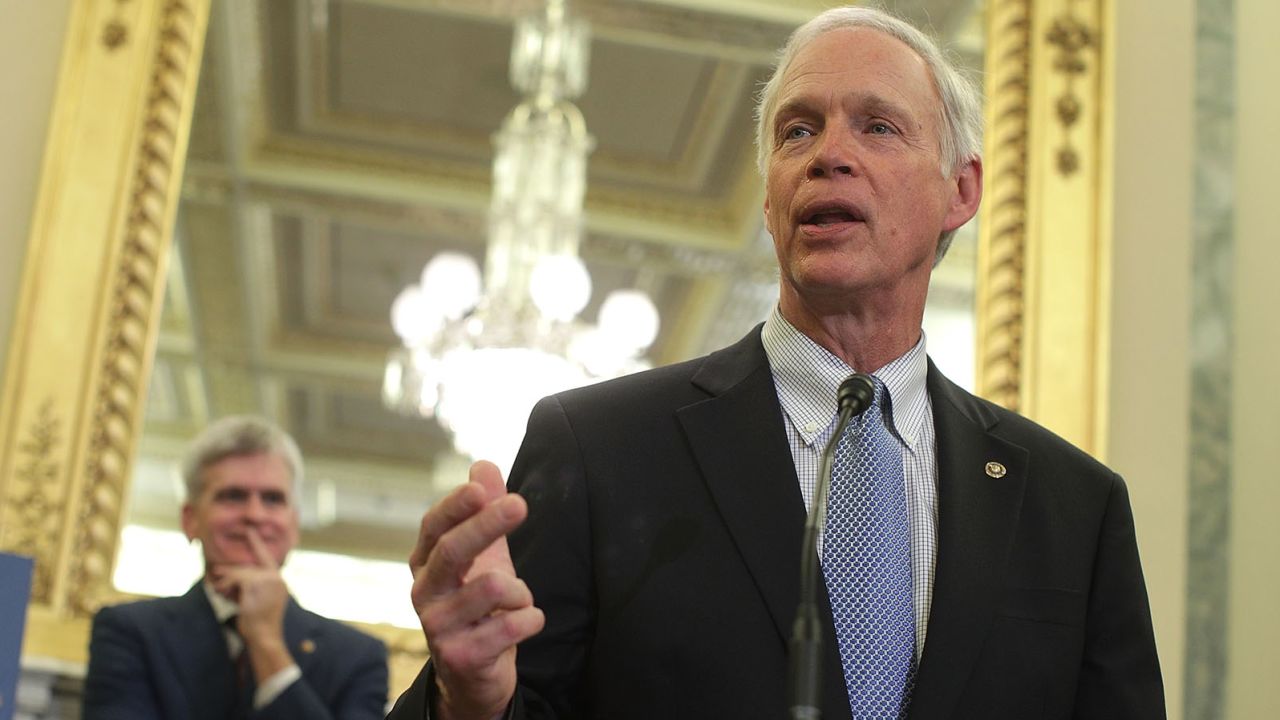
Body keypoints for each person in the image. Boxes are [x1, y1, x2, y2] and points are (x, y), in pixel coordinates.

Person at [388, 6, 1166, 720]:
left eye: (878, 128)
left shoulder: (1074, 509)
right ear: (769, 201)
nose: (829, 154)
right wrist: (470, 700)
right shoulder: (601, 449)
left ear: (960, 191)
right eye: (798, 131)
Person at [83, 416, 388, 719]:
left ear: (293, 526)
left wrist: (268, 644)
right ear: (190, 519)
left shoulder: (357, 658)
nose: (255, 514)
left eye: (272, 499)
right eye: (233, 496)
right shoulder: (131, 633)